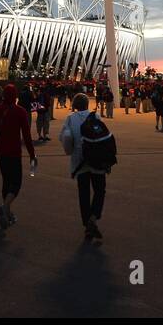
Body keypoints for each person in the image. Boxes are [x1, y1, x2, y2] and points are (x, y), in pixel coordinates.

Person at [60, 92, 111, 240]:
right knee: (100, 190)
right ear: (87, 104)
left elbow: (64, 137)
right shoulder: (96, 117)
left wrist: (70, 151)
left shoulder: (70, 118)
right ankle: (93, 218)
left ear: (75, 105)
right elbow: (104, 137)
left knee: (84, 193)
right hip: (97, 161)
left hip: (79, 162)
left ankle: (86, 222)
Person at [0, 84, 37, 230]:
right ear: (15, 96)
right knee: (16, 183)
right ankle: (5, 207)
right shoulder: (20, 112)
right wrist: (32, 154)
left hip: (0, 151)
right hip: (13, 151)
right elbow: (27, 135)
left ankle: (8, 214)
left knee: (6, 181)